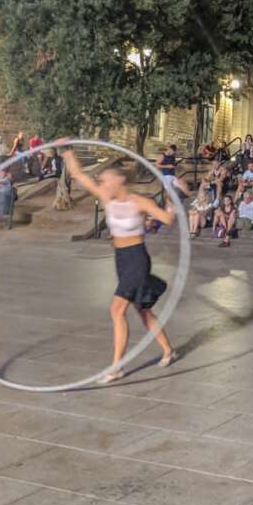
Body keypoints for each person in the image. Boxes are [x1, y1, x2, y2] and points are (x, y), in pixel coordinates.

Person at [62, 148, 176, 383]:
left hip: (137, 257)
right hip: (121, 259)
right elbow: (79, 175)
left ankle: (117, 366)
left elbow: (167, 219)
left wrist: (171, 203)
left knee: (116, 309)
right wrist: (67, 150)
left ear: (119, 179)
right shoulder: (106, 197)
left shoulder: (139, 201)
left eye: (106, 179)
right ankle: (168, 349)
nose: (103, 184)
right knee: (142, 310)